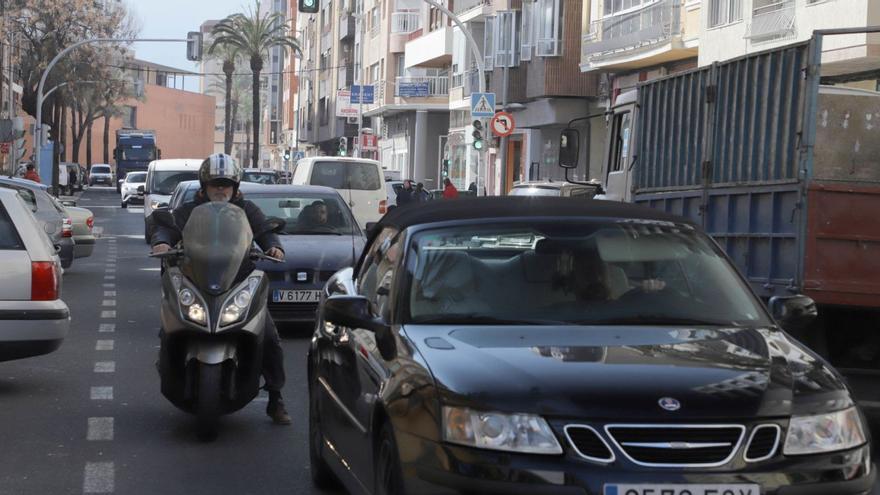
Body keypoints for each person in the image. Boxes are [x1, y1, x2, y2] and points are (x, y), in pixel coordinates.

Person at [150, 153, 292, 425]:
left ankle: (276, 397)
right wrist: (162, 242)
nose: (220, 189)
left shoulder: (248, 210)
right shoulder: (188, 211)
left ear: (235, 187)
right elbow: (167, 228)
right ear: (203, 187)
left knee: (270, 337)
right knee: (168, 328)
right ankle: (171, 368)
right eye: (215, 184)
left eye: (225, 184)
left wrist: (274, 246)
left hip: (238, 282)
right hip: (197, 280)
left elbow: (264, 231)